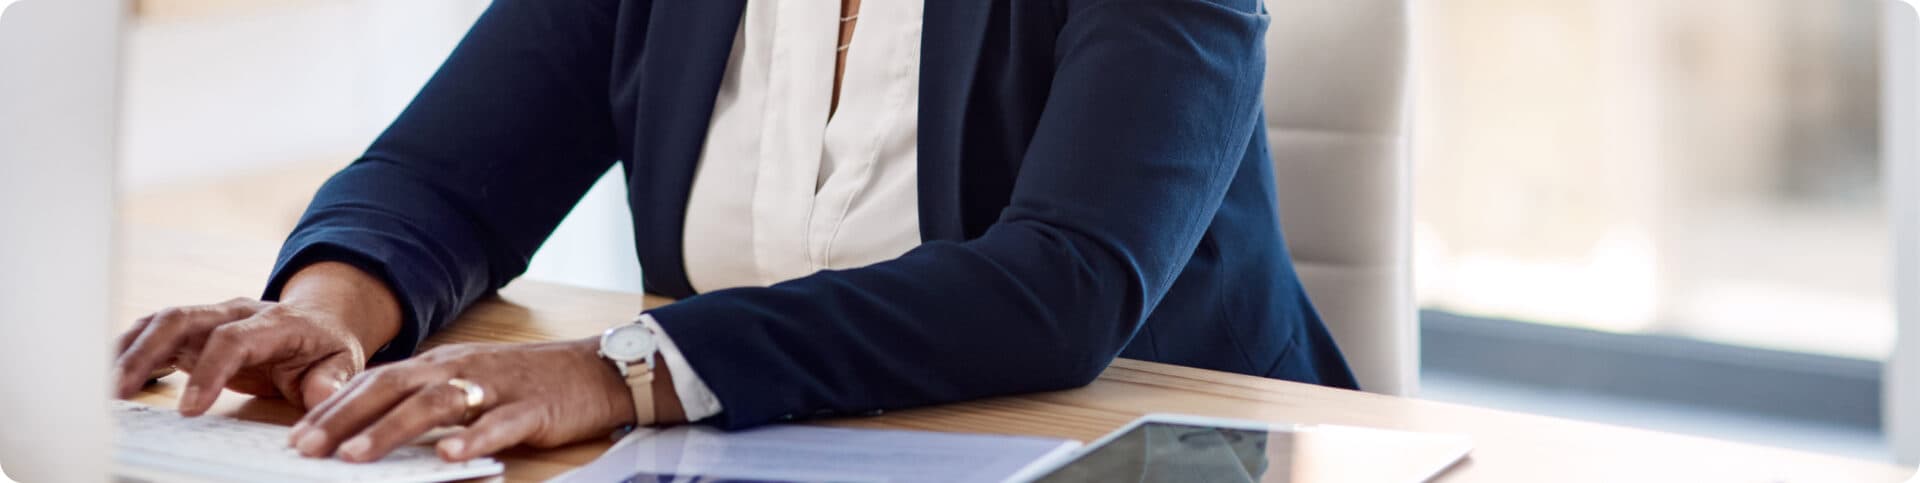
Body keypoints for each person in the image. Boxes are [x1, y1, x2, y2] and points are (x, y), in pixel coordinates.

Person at [111, 0, 1357, 464]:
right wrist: (325, 316)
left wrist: (620, 370)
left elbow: (1060, 287)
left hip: (1157, 457)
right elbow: (442, 177)